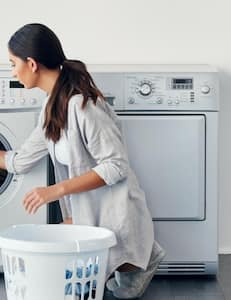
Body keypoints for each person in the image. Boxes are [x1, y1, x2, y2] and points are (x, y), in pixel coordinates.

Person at [0, 23, 165, 299]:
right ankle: (130, 264)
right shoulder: (51, 107)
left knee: (97, 286)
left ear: (31, 64)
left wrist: (54, 190)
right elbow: (21, 159)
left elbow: (116, 165)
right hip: (86, 213)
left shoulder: (82, 105)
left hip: (115, 209)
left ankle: (143, 259)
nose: (12, 71)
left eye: (12, 63)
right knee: (56, 271)